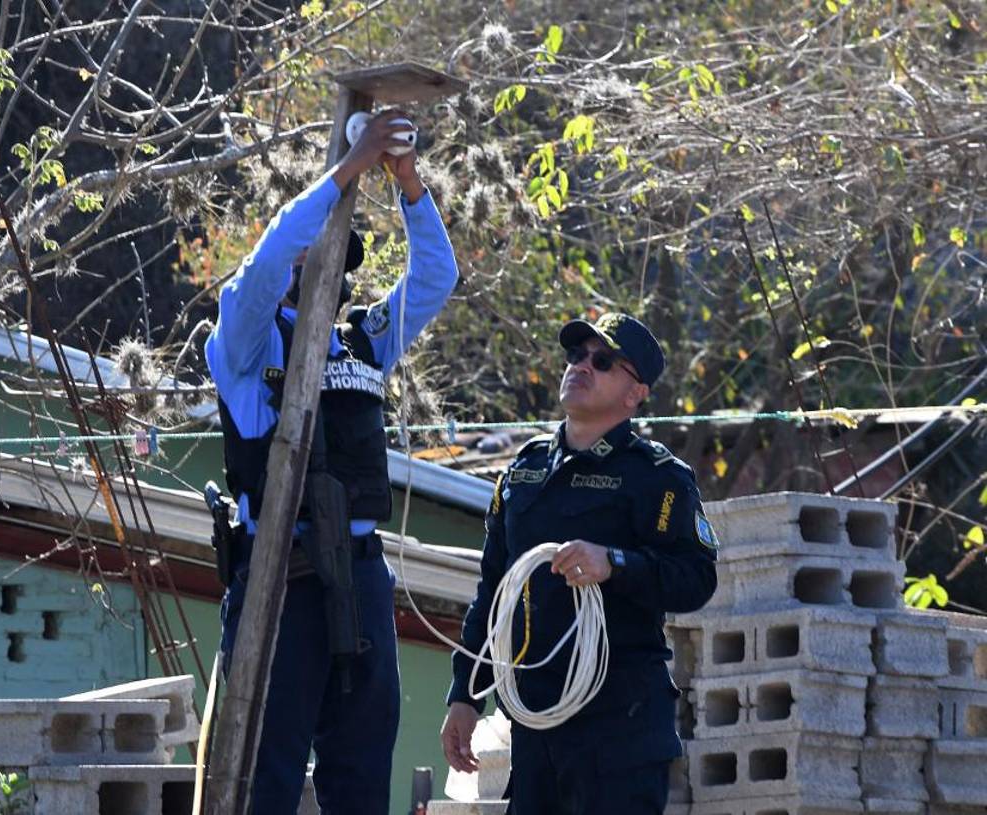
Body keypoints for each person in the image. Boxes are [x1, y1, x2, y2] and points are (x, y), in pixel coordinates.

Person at [205, 109, 459, 814]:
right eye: (313, 254)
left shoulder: (360, 343)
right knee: (269, 776)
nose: (325, 270)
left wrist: (407, 182)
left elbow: (436, 278)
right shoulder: (247, 338)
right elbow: (260, 271)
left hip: (361, 577)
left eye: (337, 258)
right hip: (279, 580)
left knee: (361, 769)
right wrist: (346, 170)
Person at [439, 312, 719, 815]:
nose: (581, 367)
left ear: (636, 394)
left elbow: (696, 578)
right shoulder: (523, 472)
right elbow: (493, 594)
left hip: (621, 728)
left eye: (603, 361)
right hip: (536, 724)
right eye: (576, 356)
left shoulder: (658, 477)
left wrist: (614, 564)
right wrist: (464, 694)